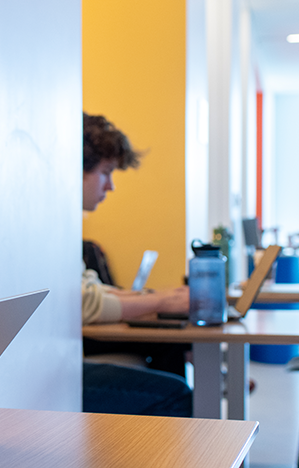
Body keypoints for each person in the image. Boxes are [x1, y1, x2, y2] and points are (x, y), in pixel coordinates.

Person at [79, 112, 192, 417]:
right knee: (176, 394)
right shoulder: (50, 226)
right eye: (105, 172)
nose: (110, 186)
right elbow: (86, 304)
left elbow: (93, 290)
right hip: (52, 369)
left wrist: (155, 297)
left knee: (168, 345)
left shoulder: (63, 225)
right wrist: (164, 299)